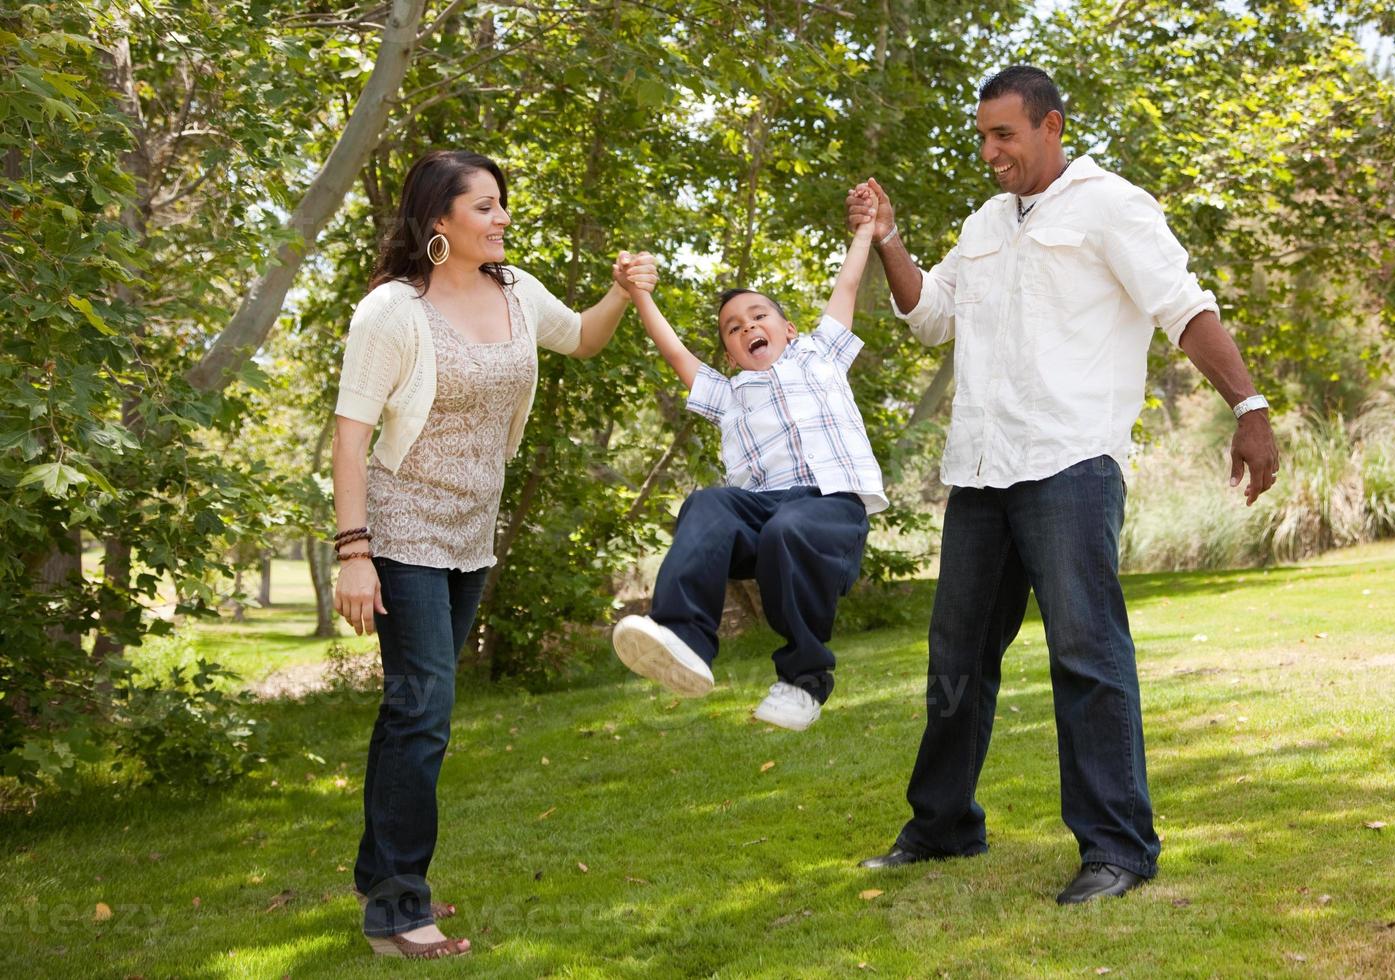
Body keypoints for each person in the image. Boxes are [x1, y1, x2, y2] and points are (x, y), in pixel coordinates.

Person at [848, 66, 1280, 903]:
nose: (989, 151)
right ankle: (942, 826)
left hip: (1070, 464)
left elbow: (1183, 308)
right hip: (981, 468)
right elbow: (930, 314)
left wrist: (1249, 406)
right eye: (981, 136)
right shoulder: (983, 223)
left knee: (1087, 655)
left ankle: (1117, 848)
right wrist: (891, 239)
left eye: (1003, 135)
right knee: (957, 657)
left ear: (1051, 126)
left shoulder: (1111, 205)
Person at [331, 149, 655, 957]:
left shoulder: (516, 291)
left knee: (412, 705)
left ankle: (379, 875)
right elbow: (350, 435)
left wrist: (621, 291)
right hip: (400, 530)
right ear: (438, 219)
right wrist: (354, 552)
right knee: (425, 708)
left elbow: (580, 339)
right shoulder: (392, 312)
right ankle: (401, 911)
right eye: (485, 206)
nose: (502, 216)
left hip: (472, 533)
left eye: (502, 203)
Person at [611, 190, 889, 732]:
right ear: (730, 354)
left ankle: (805, 680)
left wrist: (865, 230)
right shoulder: (729, 393)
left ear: (787, 329)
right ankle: (684, 638)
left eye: (757, 316)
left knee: (791, 525)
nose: (746, 328)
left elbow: (848, 284)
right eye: (732, 329)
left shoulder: (820, 355)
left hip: (832, 509)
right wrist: (638, 294)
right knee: (708, 504)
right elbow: (672, 351)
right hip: (765, 514)